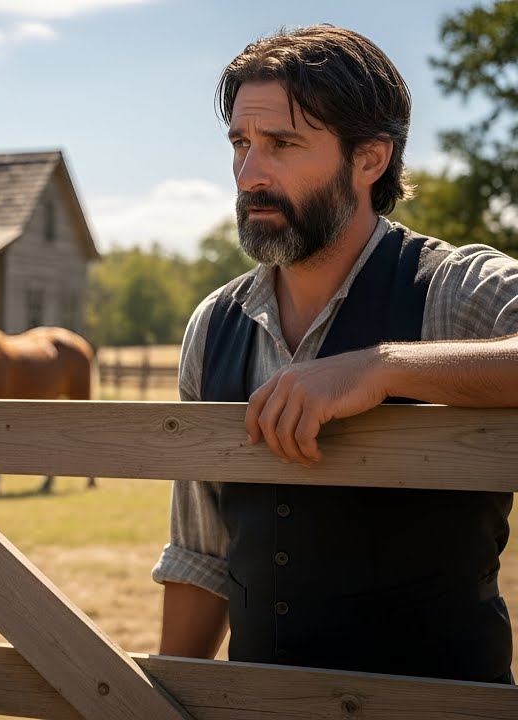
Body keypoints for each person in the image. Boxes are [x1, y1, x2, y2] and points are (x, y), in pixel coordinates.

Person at [152, 24, 518, 684]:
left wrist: (384, 367)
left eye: (283, 145)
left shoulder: (451, 289)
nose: (250, 174)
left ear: (370, 158)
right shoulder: (212, 326)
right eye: (241, 143)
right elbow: (201, 556)